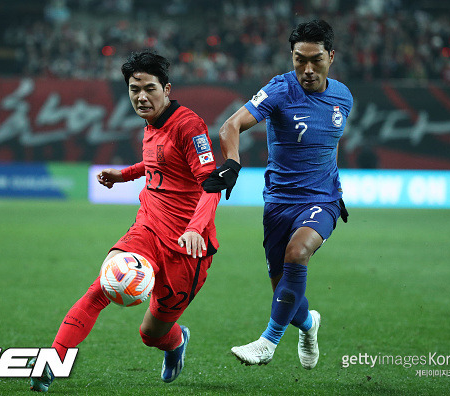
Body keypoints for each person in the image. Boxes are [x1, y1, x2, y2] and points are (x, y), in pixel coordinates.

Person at [29, 50, 221, 392]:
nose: (141, 96)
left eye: (149, 88)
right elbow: (159, 163)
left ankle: (175, 343)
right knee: (100, 288)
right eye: (134, 89)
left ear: (167, 88)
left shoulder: (189, 125)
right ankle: (51, 364)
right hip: (147, 228)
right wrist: (125, 175)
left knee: (151, 335)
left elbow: (211, 183)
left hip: (186, 248)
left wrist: (195, 228)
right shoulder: (151, 124)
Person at [203, 19, 352, 369]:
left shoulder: (342, 96)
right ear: (291, 57)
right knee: (286, 293)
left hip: (322, 201)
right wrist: (233, 164)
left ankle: (268, 343)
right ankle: (309, 324)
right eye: (300, 59)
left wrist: (330, 187)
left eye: (316, 59)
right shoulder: (280, 89)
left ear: (331, 56)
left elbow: (324, 147)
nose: (308, 68)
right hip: (278, 204)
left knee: (298, 253)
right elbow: (231, 125)